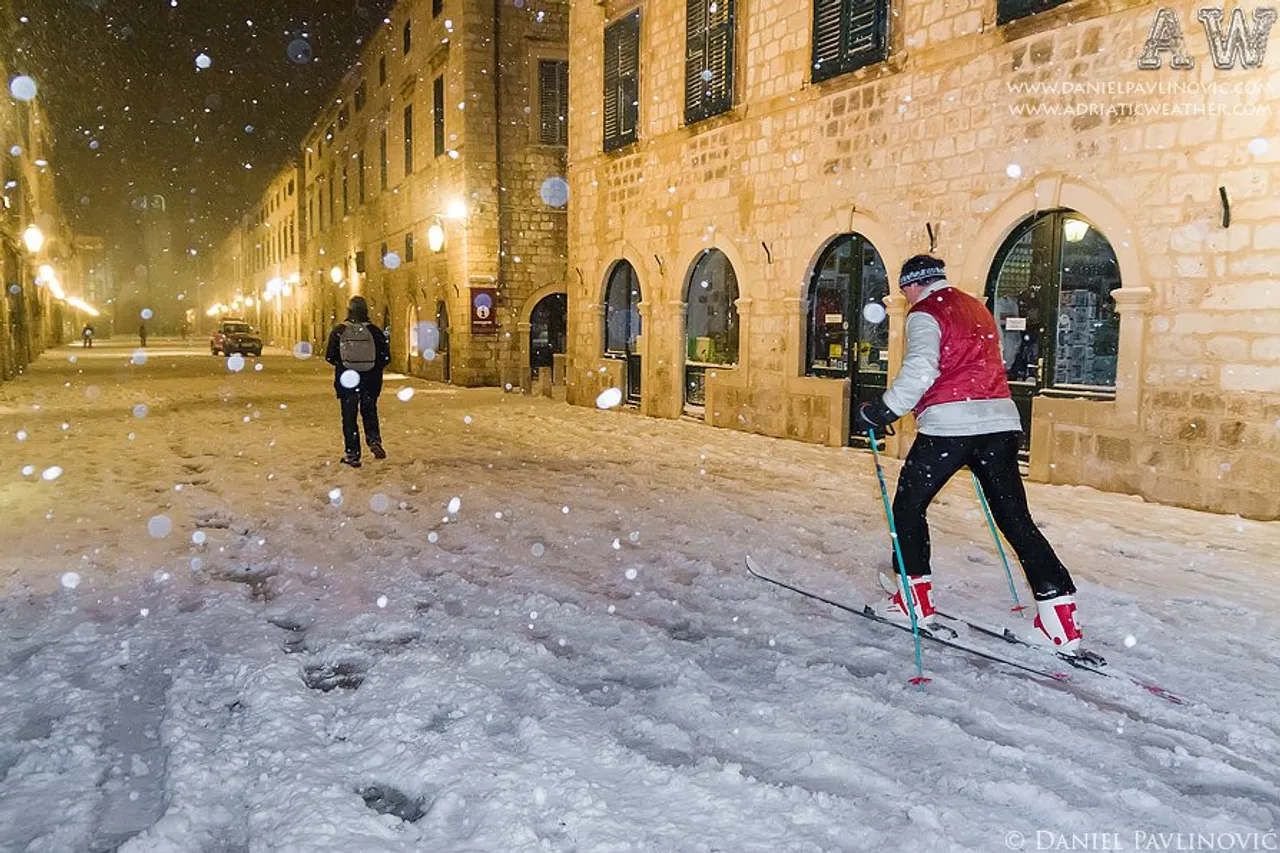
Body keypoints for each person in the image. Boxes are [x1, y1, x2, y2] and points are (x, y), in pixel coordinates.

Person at [855, 255, 1083, 654]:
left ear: (912, 285)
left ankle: (914, 602)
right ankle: (1060, 619)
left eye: (904, 290)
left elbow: (922, 369)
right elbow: (1004, 355)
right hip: (999, 423)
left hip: (951, 427)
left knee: (908, 509)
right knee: (1015, 521)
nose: (905, 299)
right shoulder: (976, 307)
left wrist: (884, 410)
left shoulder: (925, 313)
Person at [325, 295, 391, 468]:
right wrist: (372, 368)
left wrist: (345, 365)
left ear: (349, 310)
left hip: (348, 380)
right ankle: (374, 440)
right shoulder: (376, 332)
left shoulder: (340, 330)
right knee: (369, 410)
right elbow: (386, 357)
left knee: (349, 416)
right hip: (370, 380)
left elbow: (330, 356)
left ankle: (353, 454)